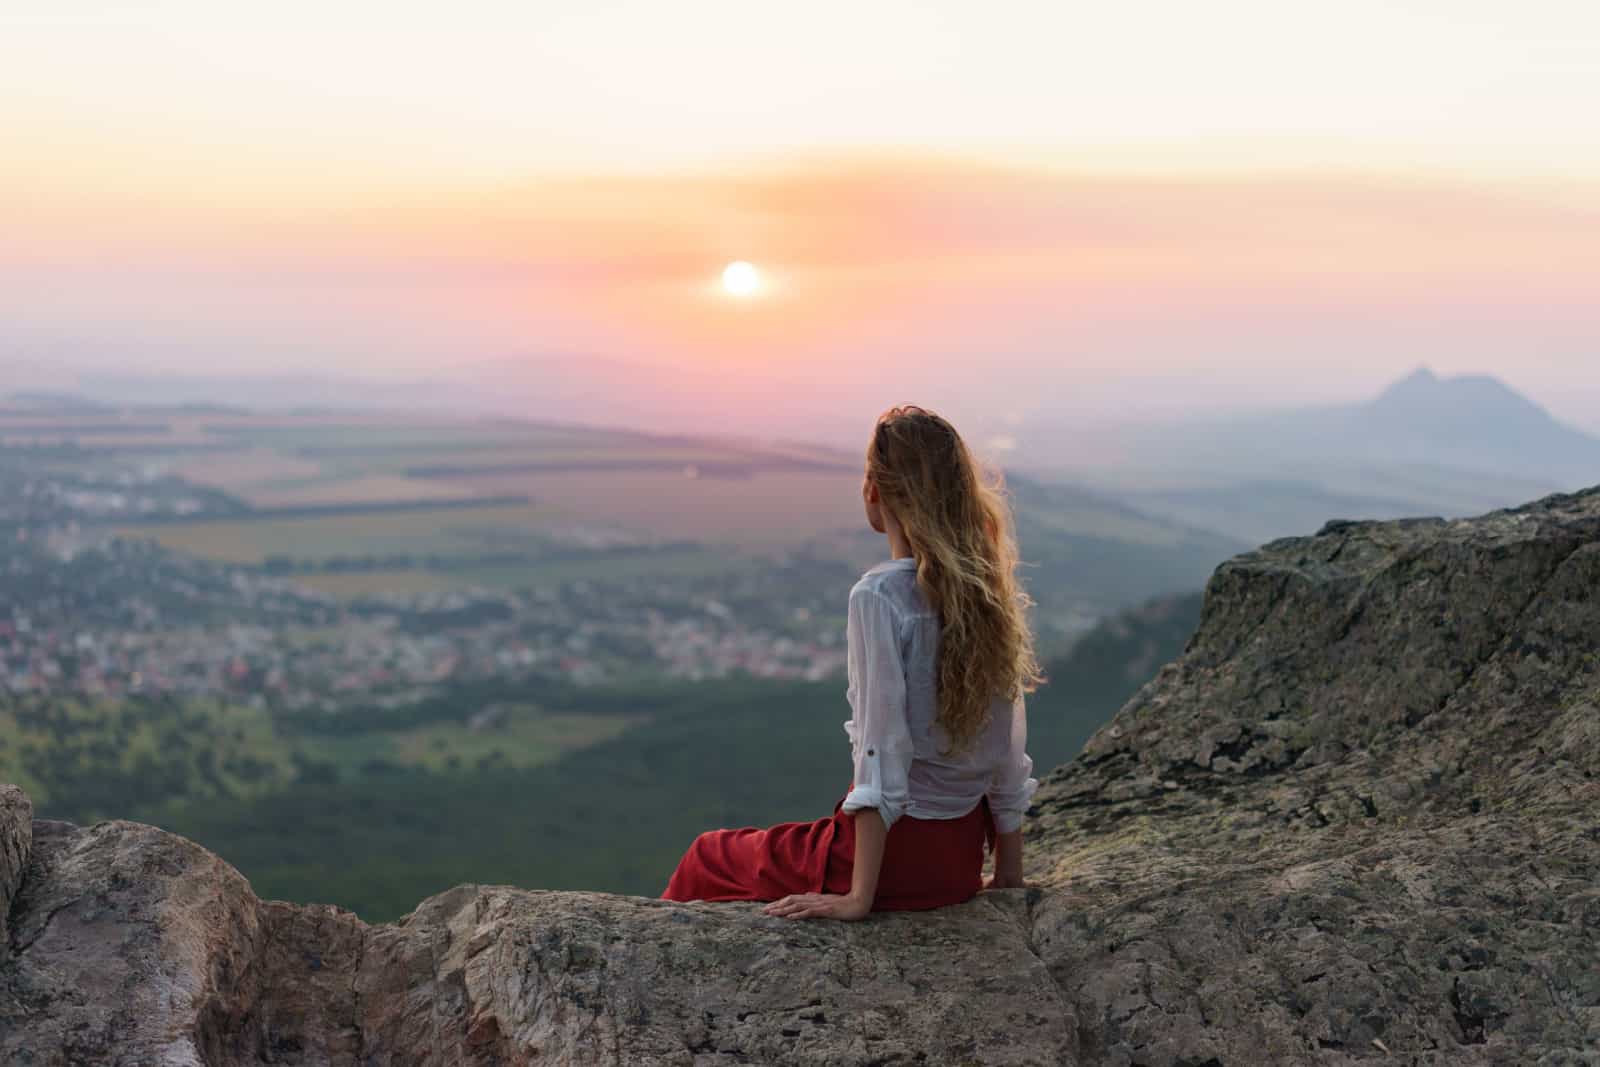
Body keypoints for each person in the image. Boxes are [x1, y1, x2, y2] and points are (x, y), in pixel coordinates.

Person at [660, 404, 1043, 920]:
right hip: (958, 862)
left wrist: (858, 898)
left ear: (874, 491)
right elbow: (1006, 750)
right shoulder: (984, 594)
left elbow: (881, 752)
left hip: (892, 862)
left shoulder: (881, 596)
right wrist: (1010, 873)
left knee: (709, 856)